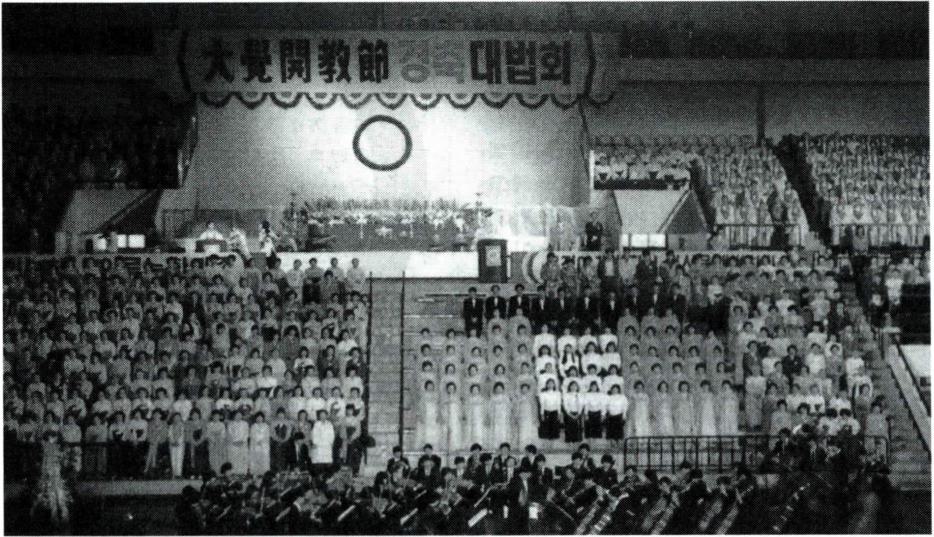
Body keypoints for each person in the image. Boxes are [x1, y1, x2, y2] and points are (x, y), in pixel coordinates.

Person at [310, 409, 336, 477]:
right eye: (321, 415)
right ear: (319, 416)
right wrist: (315, 443)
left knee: (327, 462)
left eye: (324, 415)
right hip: (319, 445)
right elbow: (314, 434)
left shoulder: (329, 424)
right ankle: (318, 477)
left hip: (327, 445)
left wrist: (331, 442)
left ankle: (326, 477)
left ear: (326, 416)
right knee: (319, 462)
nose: (323, 416)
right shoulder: (316, 424)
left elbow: (332, 434)